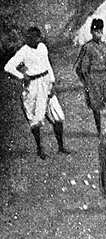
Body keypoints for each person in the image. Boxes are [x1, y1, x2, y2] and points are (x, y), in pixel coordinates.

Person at [4, 26, 69, 158]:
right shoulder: (24, 51)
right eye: (29, 37)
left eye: (35, 37)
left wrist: (52, 82)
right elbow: (8, 67)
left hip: (45, 81)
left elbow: (48, 65)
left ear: (39, 37)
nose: (32, 40)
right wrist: (22, 76)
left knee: (58, 116)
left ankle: (61, 146)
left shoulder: (42, 47)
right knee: (36, 118)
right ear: (27, 38)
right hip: (33, 85)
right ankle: (40, 149)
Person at [74, 18, 106, 135]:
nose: (98, 34)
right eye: (95, 32)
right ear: (91, 32)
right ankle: (99, 131)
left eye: (100, 31)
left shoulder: (104, 46)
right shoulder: (87, 47)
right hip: (93, 79)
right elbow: (79, 68)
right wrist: (86, 82)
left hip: (105, 77)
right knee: (96, 106)